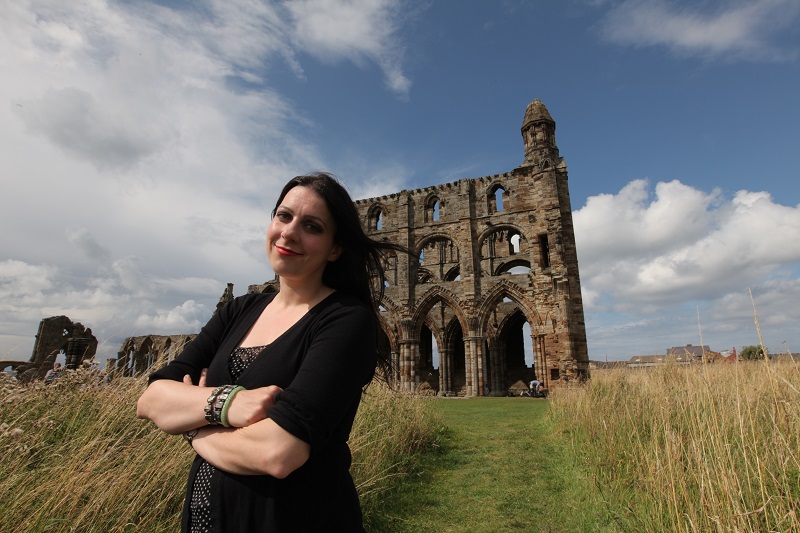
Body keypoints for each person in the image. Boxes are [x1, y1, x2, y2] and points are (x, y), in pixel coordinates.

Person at [137, 172, 408, 532]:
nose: (289, 233)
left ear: (335, 248)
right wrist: (228, 404)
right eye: (284, 216)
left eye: (311, 226)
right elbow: (151, 400)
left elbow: (277, 453)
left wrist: (193, 424)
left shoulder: (345, 320)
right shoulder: (237, 310)